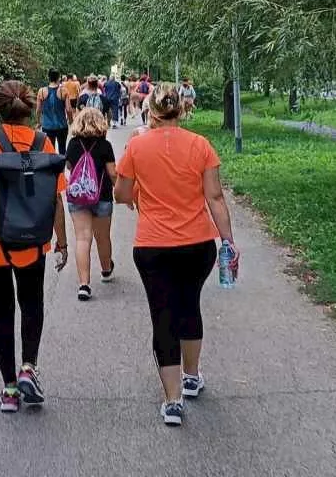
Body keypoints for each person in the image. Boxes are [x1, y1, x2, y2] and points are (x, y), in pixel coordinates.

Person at [114, 83, 238, 427]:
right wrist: (227, 240)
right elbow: (215, 197)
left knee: (163, 314)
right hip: (198, 245)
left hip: (153, 246)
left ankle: (172, 402)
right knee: (189, 305)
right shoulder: (201, 146)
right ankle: (192, 377)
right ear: (182, 111)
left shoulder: (137, 146)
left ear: (150, 112)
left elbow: (122, 193)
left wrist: (141, 189)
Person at [0, 81, 69, 412]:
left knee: (1, 310)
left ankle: (8, 390)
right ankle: (28, 369)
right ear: (30, 108)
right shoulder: (43, 142)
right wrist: (61, 241)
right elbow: (56, 197)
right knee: (32, 304)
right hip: (32, 240)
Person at [65, 107, 117, 300]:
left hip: (79, 196)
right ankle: (106, 270)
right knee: (103, 237)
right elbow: (112, 173)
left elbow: (70, 166)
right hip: (102, 196)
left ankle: (84, 284)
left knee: (82, 238)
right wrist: (120, 191)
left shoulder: (73, 144)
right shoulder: (105, 146)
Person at [36, 69, 70, 154]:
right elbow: (69, 109)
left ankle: (52, 166)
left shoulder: (42, 91)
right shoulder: (64, 91)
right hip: (62, 126)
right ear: (59, 78)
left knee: (50, 150)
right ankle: (61, 167)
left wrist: (38, 122)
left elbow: (38, 110)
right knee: (62, 149)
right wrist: (71, 120)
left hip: (47, 126)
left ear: (49, 78)